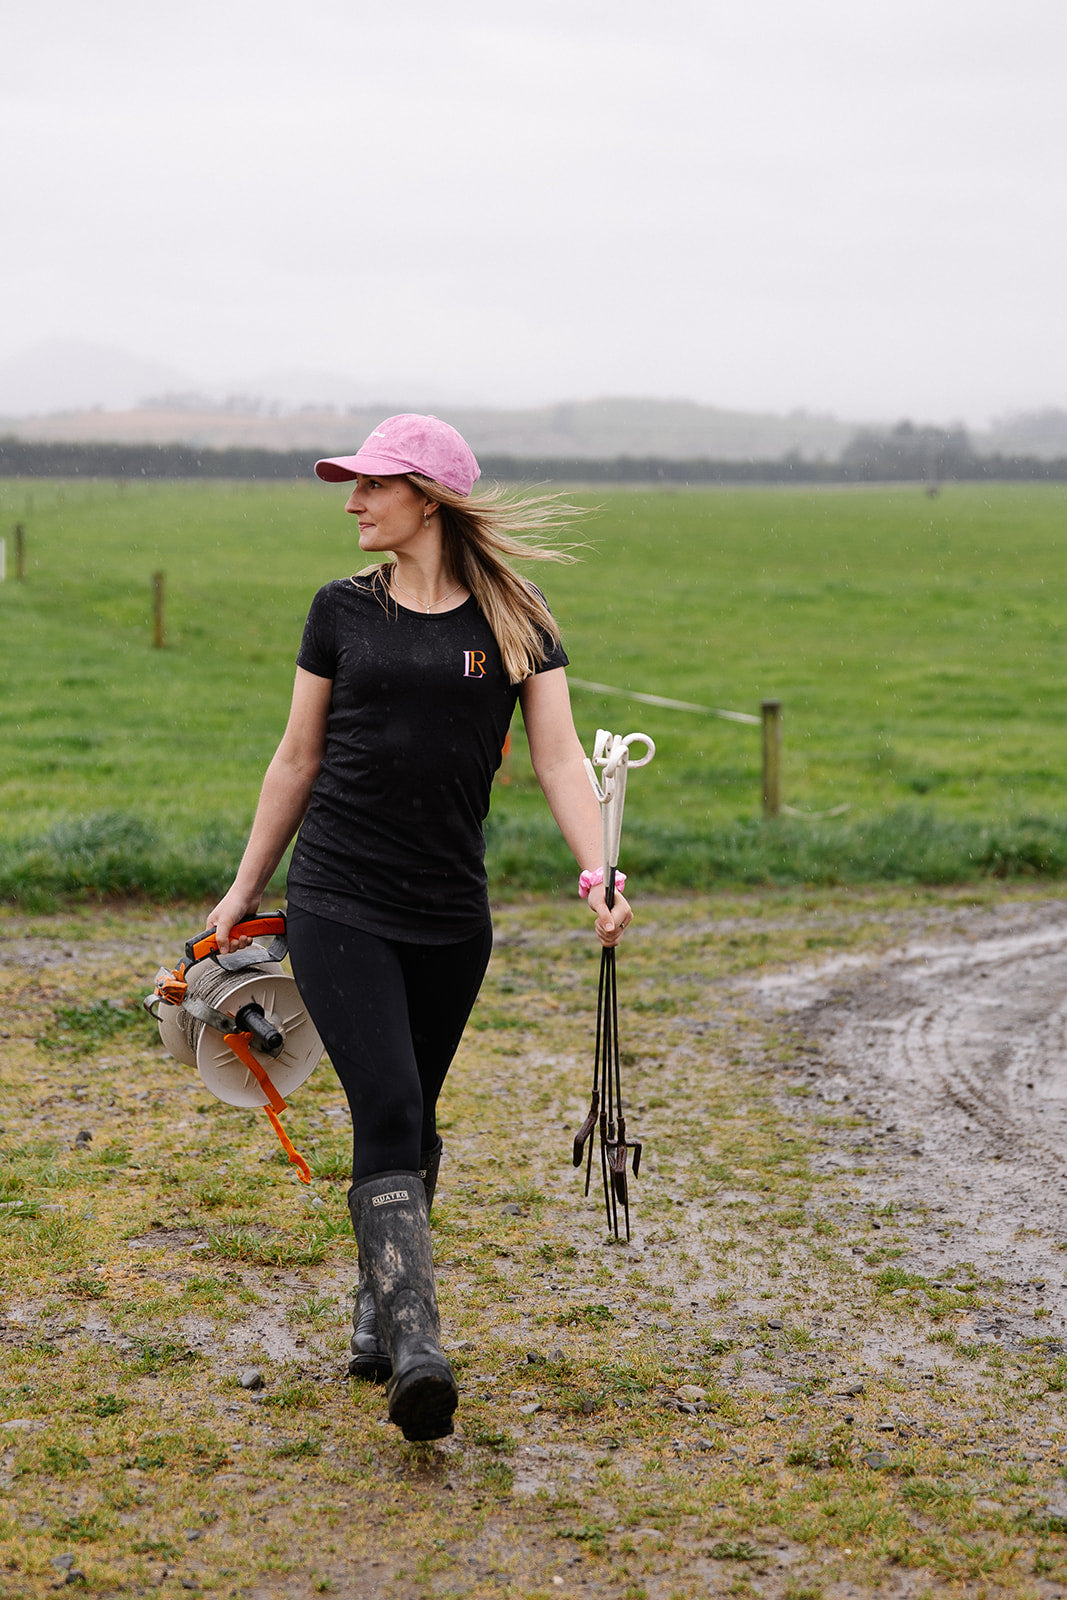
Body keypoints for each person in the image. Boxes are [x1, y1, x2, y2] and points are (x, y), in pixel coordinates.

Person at [207, 413, 633, 1444]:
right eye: (349, 484)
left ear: (427, 498)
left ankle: (373, 1310)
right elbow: (295, 758)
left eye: (370, 484)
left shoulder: (516, 619)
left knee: (410, 1117)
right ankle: (416, 1348)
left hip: (450, 914)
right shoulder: (337, 613)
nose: (350, 500)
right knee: (391, 1102)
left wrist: (597, 870)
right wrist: (242, 887)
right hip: (339, 901)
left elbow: (560, 761)